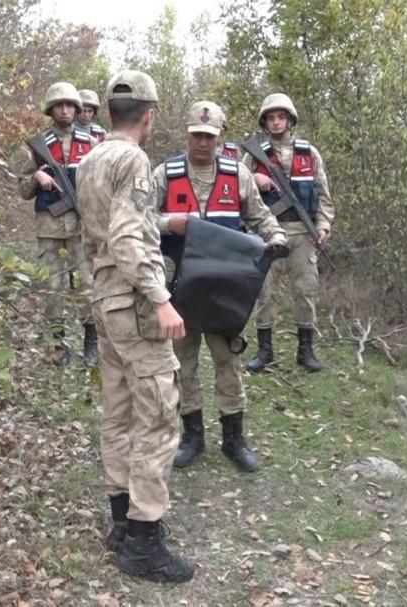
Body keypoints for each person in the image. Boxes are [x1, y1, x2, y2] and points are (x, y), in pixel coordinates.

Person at [75, 70, 195, 584]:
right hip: (133, 302)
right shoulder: (134, 159)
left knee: (118, 410)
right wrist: (161, 298)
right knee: (159, 417)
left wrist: (167, 225)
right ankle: (144, 542)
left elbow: (108, 227)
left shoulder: (90, 159)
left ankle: (121, 522)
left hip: (104, 297)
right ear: (149, 116)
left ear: (106, 113)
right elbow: (127, 238)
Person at [151, 101, 286, 472]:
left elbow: (259, 215)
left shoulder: (237, 175)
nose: (202, 142)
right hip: (180, 285)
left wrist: (274, 239)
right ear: (186, 132)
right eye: (196, 134)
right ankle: (192, 435)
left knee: (228, 361)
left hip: (227, 286)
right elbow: (142, 217)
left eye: (209, 136)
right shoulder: (165, 173)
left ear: (220, 136)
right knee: (184, 362)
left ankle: (234, 438)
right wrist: (169, 224)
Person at [242, 93, 336, 373]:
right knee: (264, 291)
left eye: (281, 116)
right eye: (271, 117)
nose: (276, 122)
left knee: (305, 290)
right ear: (264, 121)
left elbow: (324, 196)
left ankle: (305, 351)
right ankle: (264, 350)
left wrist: (323, 225)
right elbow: (234, 187)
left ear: (290, 119)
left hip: (302, 232)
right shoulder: (253, 155)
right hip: (266, 233)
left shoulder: (309, 153)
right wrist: (253, 179)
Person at [18, 82, 98, 367]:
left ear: (77, 109)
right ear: (50, 109)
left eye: (69, 105)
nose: (64, 110)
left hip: (81, 226)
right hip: (49, 226)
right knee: (53, 285)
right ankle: (58, 345)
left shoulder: (91, 143)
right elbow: (23, 189)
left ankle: (92, 341)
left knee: (87, 284)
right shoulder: (38, 146)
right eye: (59, 105)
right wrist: (36, 177)